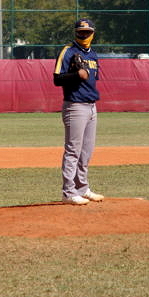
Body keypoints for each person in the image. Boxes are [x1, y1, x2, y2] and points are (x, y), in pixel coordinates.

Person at [53, 18, 105, 205]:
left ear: (93, 33)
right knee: (73, 150)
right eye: (81, 32)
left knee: (86, 152)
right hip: (75, 106)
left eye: (87, 32)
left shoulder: (93, 55)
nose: (84, 35)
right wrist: (76, 75)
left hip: (92, 106)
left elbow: (92, 79)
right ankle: (68, 192)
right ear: (75, 32)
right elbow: (57, 79)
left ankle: (82, 188)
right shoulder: (68, 51)